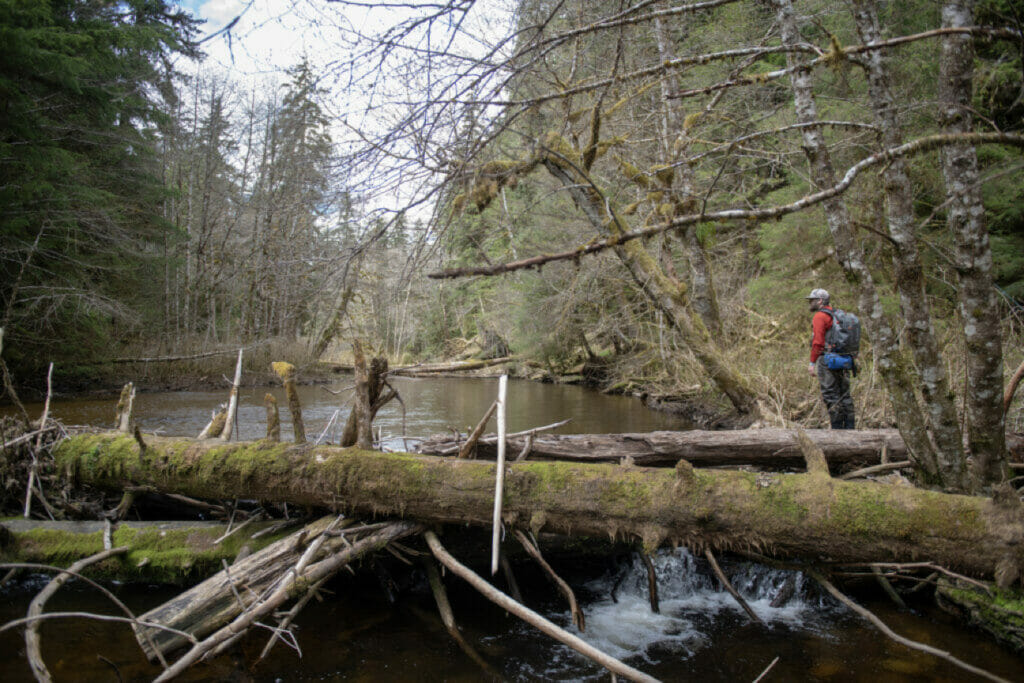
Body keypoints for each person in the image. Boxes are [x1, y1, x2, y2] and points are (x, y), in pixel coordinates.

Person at [805, 288, 855, 429]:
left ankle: (837, 430)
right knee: (845, 395)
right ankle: (850, 429)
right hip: (844, 360)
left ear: (820, 301)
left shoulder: (820, 317)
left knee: (830, 395)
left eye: (812, 300)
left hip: (827, 360)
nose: (810, 303)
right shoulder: (837, 314)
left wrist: (812, 362)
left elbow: (818, 342)